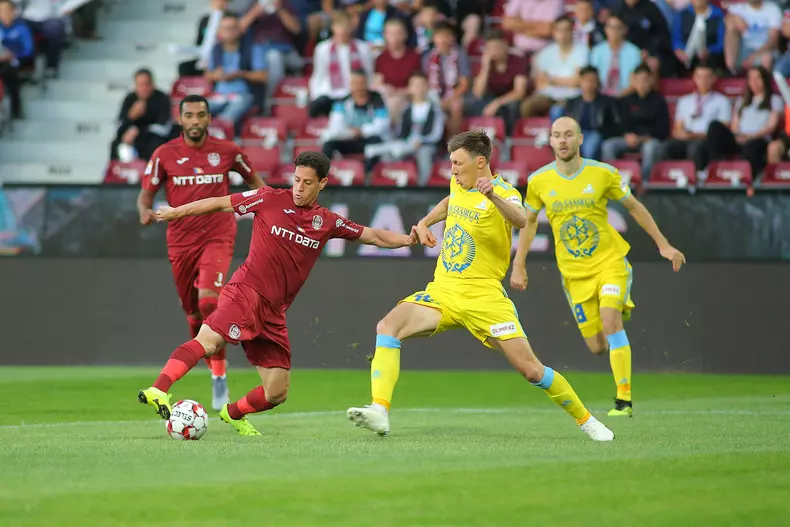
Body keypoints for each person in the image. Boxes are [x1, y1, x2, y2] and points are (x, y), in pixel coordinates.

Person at [347, 130, 615, 442]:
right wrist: (424, 222)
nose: (452, 170)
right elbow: (450, 201)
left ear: (480, 162)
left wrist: (492, 196)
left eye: (458, 163)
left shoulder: (503, 192)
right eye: (451, 163)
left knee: (532, 370)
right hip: (443, 291)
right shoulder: (458, 183)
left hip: (484, 298)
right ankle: (380, 410)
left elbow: (521, 219)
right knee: (388, 326)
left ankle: (587, 421)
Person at [138, 152, 419, 436]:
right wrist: (175, 212)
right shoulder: (268, 197)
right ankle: (159, 389)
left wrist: (408, 239)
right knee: (208, 340)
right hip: (245, 292)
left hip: (274, 311)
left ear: (322, 183)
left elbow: (375, 236)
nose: (298, 187)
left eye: (307, 183)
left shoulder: (328, 222)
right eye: (296, 180)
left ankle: (232, 413)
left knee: (277, 391)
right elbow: (219, 203)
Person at [510, 116, 686, 417]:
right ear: (550, 141)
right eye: (556, 135)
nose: (562, 140)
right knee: (597, 346)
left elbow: (634, 207)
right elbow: (528, 223)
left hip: (609, 261)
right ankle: (614, 316)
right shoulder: (539, 181)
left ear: (580, 139)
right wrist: (519, 264)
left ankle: (623, 400)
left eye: (568, 134)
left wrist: (663, 244)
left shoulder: (604, 174)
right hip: (574, 274)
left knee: (610, 320)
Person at [136, 94, 266, 412]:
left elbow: (256, 183)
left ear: (209, 118)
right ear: (180, 119)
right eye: (190, 116)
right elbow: (146, 194)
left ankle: (219, 378)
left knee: (210, 301)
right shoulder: (164, 154)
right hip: (180, 242)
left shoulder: (228, 151)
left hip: (218, 236)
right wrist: (144, 210)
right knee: (194, 314)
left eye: (201, 115)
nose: (195, 121)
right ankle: (214, 367)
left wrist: (268, 209)